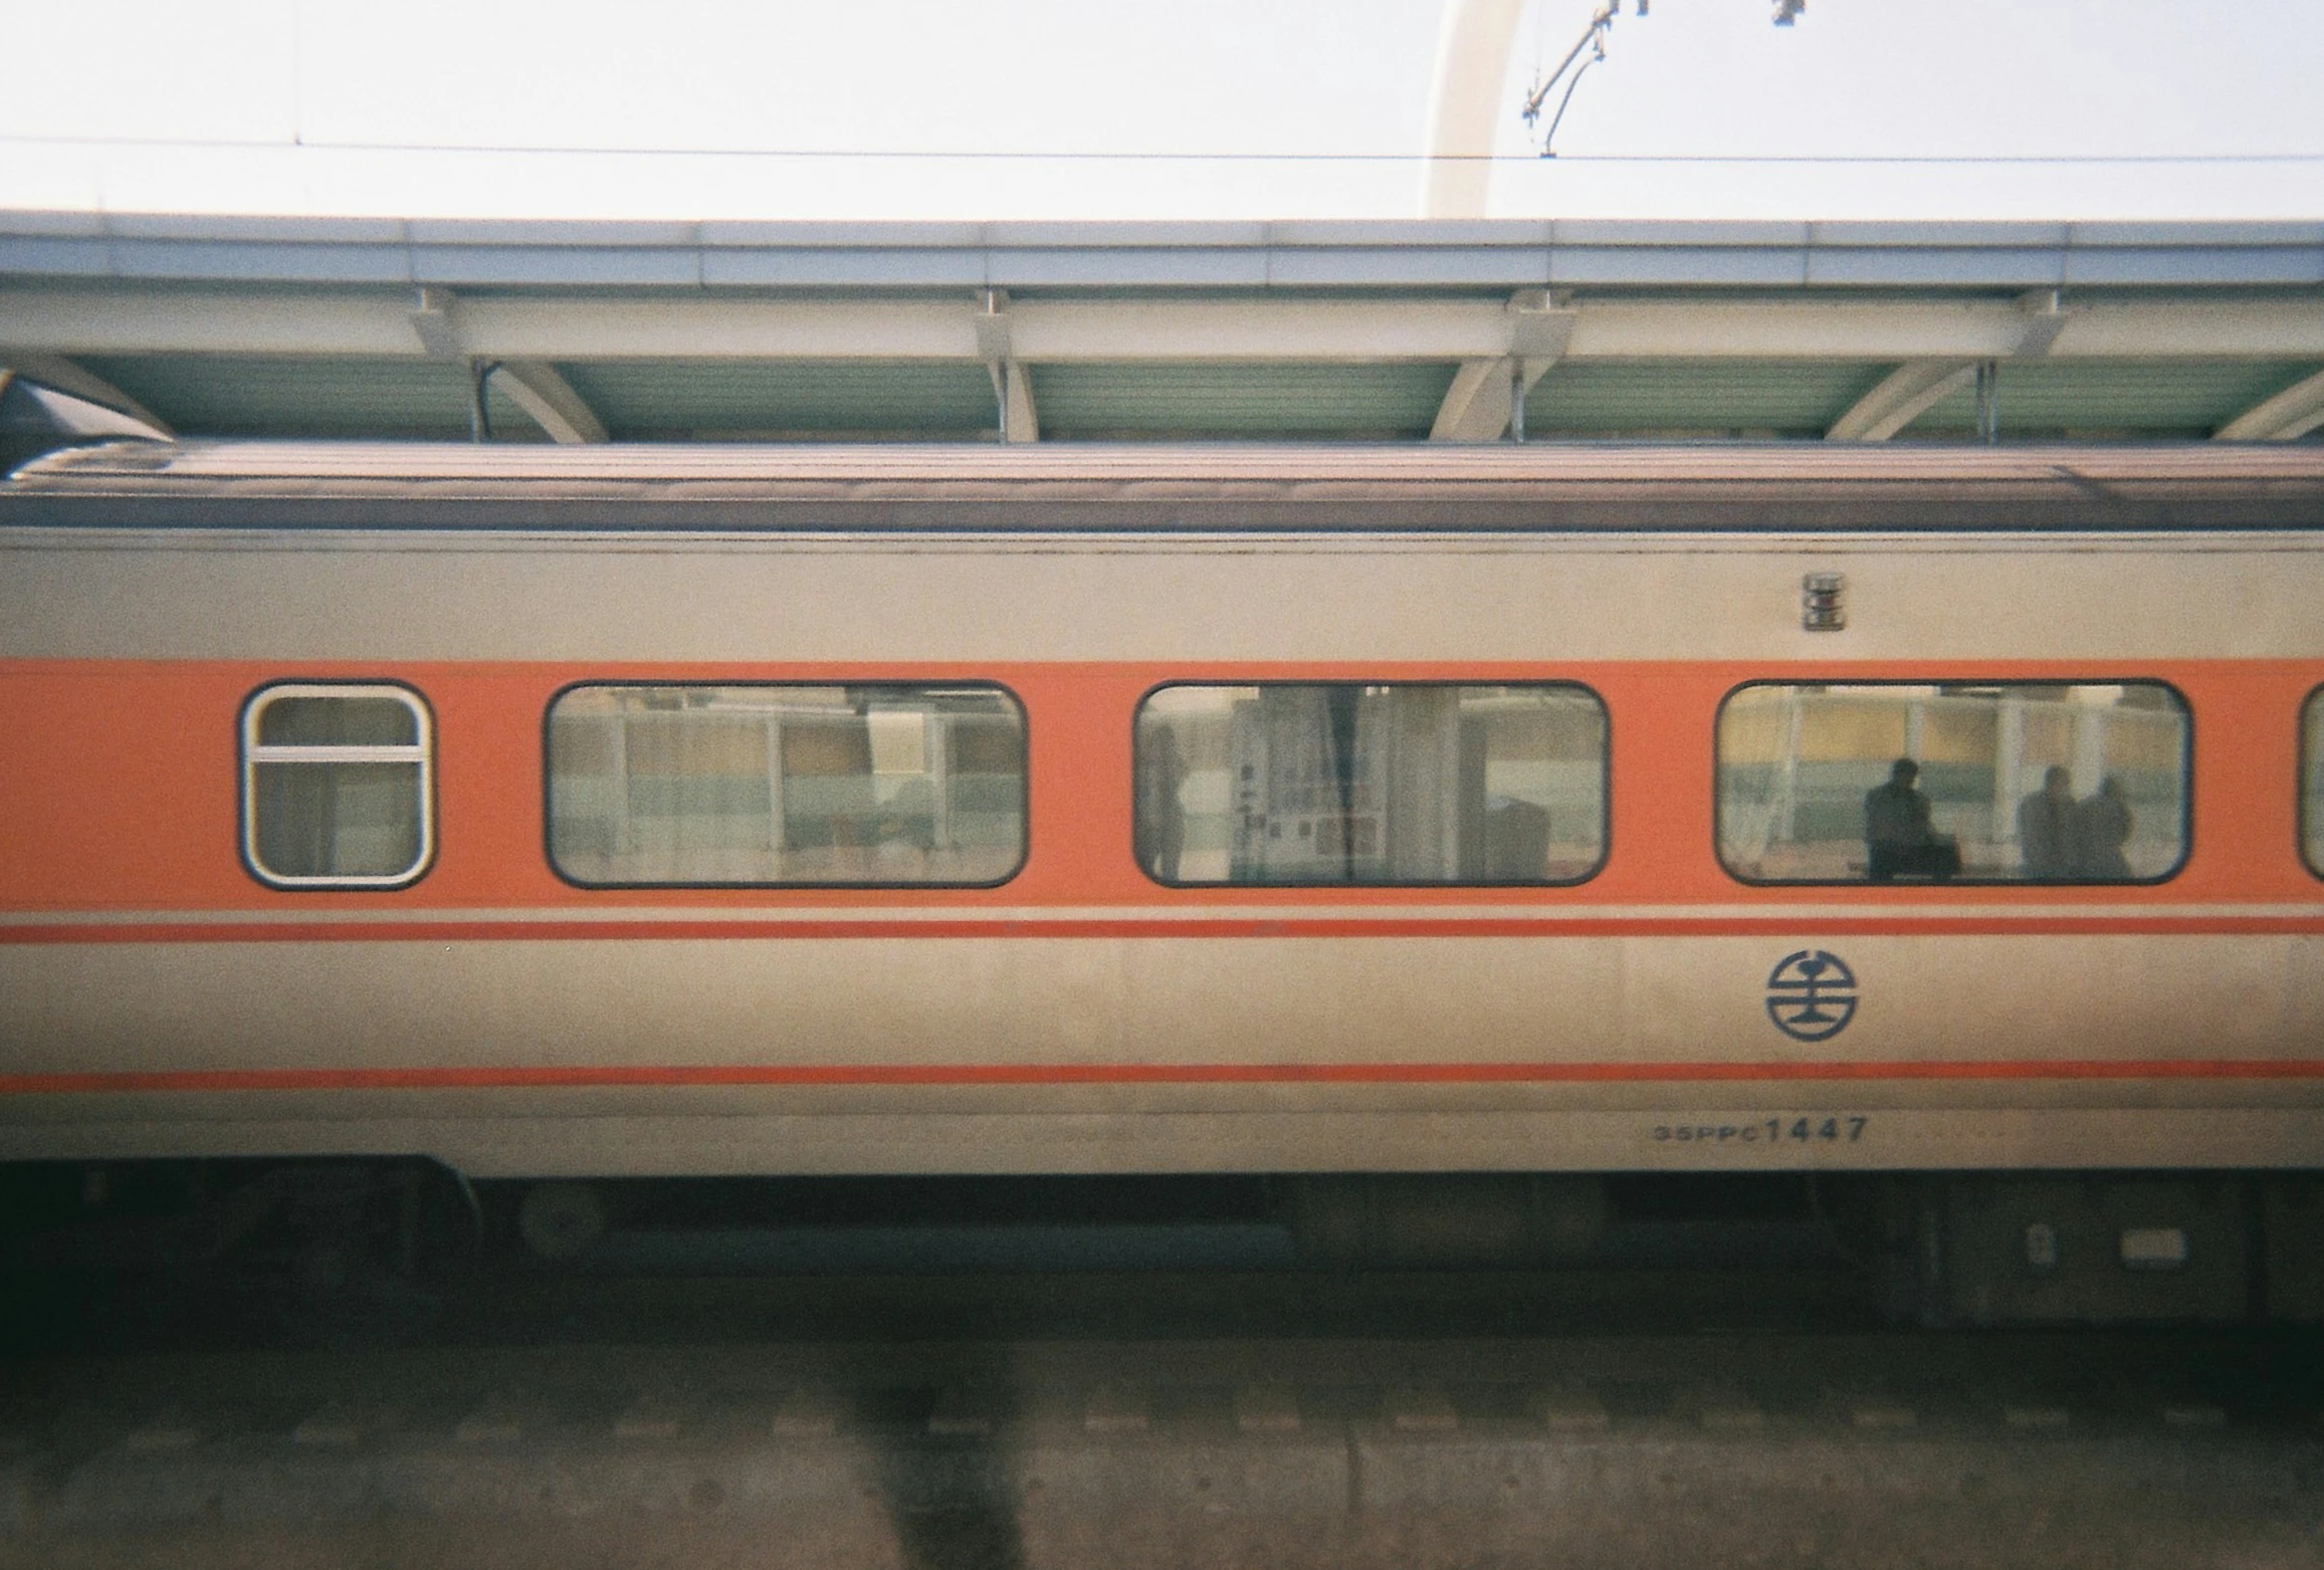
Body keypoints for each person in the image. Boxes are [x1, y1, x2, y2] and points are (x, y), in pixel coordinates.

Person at [1863, 758, 1958, 880]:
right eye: (1907, 775)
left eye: (1912, 776)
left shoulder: (1919, 799)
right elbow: (1879, 826)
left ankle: (1940, 890)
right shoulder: (1878, 797)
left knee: (1945, 853)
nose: (1910, 779)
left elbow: (1925, 826)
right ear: (1897, 774)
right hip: (1887, 849)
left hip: (1911, 847)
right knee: (1883, 854)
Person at [2017, 766, 2074, 878]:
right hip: (2039, 867)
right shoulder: (2032, 804)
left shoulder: (2069, 804)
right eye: (2064, 783)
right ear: (2052, 783)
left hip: (2061, 866)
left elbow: (2071, 834)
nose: (2067, 788)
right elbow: (2030, 836)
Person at [2073, 775, 2134, 879]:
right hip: (2109, 859)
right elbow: (2126, 829)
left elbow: (2072, 827)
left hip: (2084, 859)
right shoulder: (2118, 807)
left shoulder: (2084, 804)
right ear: (2116, 791)